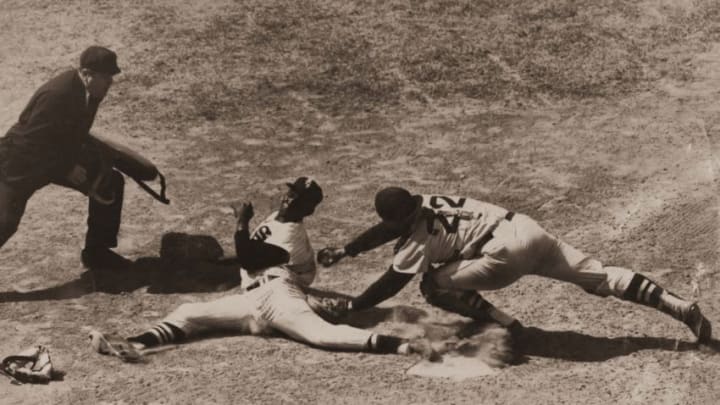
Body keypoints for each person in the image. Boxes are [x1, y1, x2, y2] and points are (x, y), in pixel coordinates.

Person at [89, 178, 435, 361]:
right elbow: (247, 256)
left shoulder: (290, 234)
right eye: (289, 192)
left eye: (297, 198)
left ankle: (400, 346)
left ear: (306, 209)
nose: (288, 199)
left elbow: (252, 257)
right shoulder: (276, 218)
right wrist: (212, 262)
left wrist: (241, 223)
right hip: (252, 298)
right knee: (189, 312)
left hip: (277, 296)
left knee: (318, 336)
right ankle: (132, 344)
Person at [316, 186, 713, 344]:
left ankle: (508, 328)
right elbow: (386, 229)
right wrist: (349, 250)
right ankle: (681, 308)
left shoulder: (415, 240)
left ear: (401, 217)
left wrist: (354, 306)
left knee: (432, 286)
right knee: (601, 275)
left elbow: (390, 284)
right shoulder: (426, 200)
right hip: (527, 229)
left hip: (502, 257)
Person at [0, 46, 130, 270]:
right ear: (88, 74)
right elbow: (30, 143)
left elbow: (71, 130)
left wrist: (93, 157)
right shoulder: (58, 94)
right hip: (19, 164)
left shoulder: (92, 91)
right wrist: (65, 168)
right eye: (106, 77)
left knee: (109, 182)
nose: (110, 83)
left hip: (57, 156)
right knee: (5, 223)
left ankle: (97, 252)